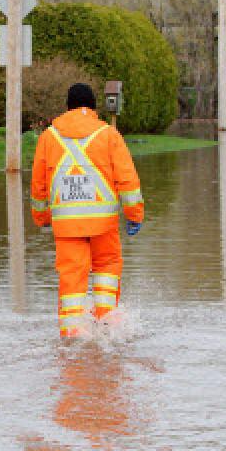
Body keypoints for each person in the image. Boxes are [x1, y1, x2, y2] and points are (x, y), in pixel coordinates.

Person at [30, 83, 145, 338]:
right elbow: (127, 179)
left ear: (67, 107)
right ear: (93, 107)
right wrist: (134, 214)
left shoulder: (49, 136)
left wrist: (41, 217)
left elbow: (38, 184)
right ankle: (108, 324)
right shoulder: (108, 134)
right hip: (103, 224)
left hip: (67, 226)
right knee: (106, 270)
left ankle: (73, 332)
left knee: (71, 277)